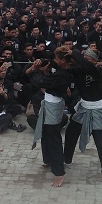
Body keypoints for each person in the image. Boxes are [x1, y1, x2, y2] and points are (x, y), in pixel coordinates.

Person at [63, 48, 102, 184]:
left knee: (100, 139)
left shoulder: (97, 71)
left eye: (87, 58)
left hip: (96, 108)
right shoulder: (79, 69)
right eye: (83, 58)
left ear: (93, 61)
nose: (84, 61)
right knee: (71, 133)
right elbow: (67, 68)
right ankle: (66, 159)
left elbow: (86, 66)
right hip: (83, 107)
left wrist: (74, 52)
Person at [30, 47, 72, 187]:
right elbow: (49, 73)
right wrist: (44, 68)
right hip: (50, 103)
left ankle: (59, 172)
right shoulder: (60, 71)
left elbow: (41, 82)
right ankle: (48, 159)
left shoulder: (63, 74)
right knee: (46, 134)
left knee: (53, 138)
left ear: (62, 60)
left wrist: (36, 70)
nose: (54, 61)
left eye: (57, 59)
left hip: (53, 106)